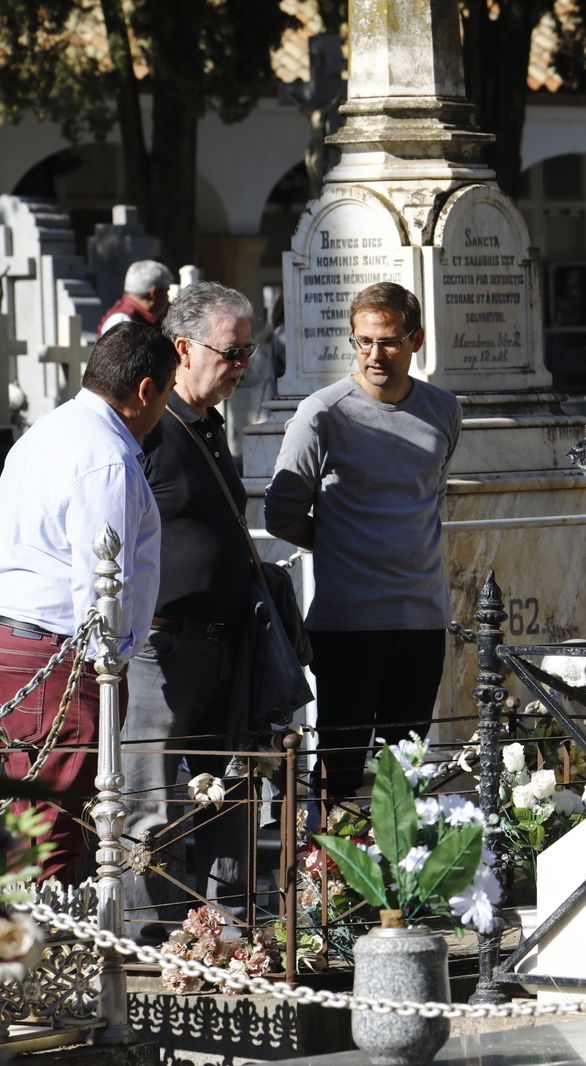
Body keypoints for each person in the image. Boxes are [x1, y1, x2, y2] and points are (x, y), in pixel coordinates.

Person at [265, 282, 462, 807]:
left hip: (421, 617)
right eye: (364, 341)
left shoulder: (443, 410)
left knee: (405, 775)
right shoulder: (322, 413)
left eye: (389, 341)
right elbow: (280, 514)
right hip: (347, 623)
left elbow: (432, 494)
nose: (375, 354)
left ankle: (401, 859)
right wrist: (341, 543)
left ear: (416, 340)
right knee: (340, 772)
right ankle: (324, 858)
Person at [0, 323, 175, 880]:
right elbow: (101, 584)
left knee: (22, 822)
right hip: (60, 660)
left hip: (19, 644)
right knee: (48, 831)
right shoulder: (106, 456)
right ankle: (32, 935)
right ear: (145, 390)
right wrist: (110, 665)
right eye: (167, 392)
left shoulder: (46, 431)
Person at [121, 282, 258, 943]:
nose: (242, 366)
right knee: (151, 801)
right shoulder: (148, 429)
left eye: (249, 353)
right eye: (232, 353)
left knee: (229, 795)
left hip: (227, 646)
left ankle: (223, 935)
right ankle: (148, 941)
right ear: (183, 348)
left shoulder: (208, 424)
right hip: (163, 648)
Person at [99, 260, 174, 336]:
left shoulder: (138, 318)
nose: (168, 298)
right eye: (166, 291)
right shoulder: (122, 322)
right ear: (154, 293)